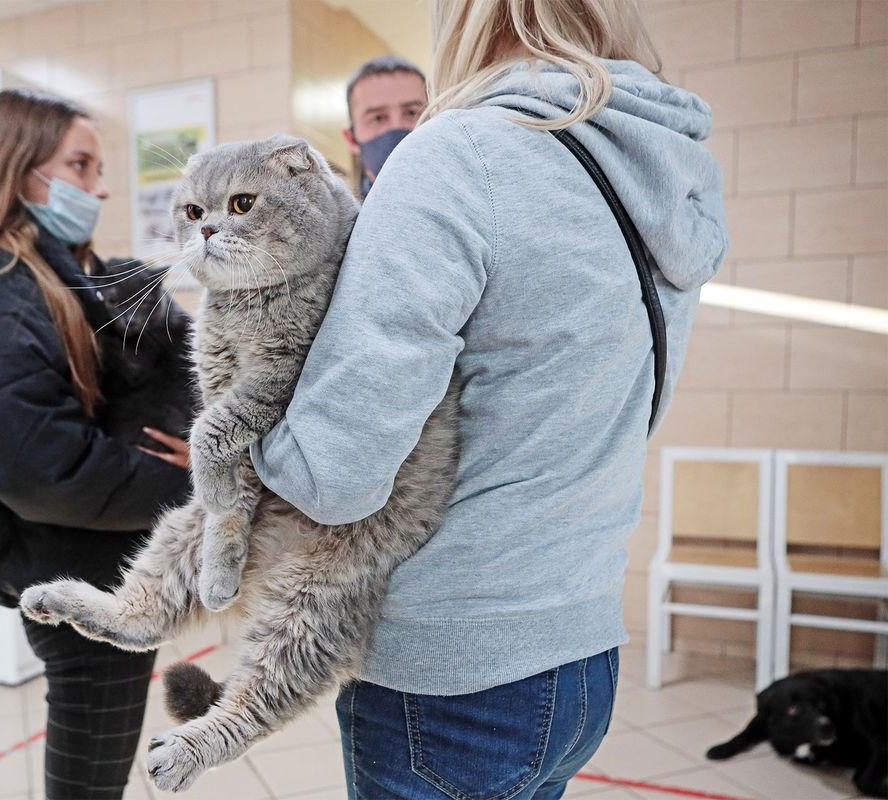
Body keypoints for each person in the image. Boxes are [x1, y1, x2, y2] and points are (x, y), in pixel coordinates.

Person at [250, 0, 728, 798]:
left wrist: (246, 435)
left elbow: (334, 474)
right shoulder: (663, 167)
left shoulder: (459, 155)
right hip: (584, 648)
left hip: (453, 668)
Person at [0, 89, 193, 800]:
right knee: (89, 774)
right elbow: (40, 463)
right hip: (75, 563)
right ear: (21, 171)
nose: (101, 186)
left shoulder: (58, 276)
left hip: (96, 556)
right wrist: (193, 486)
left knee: (96, 763)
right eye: (81, 165)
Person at [342, 55, 428, 197]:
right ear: (352, 138)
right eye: (378, 118)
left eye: (412, 112)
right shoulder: (346, 219)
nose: (396, 127)